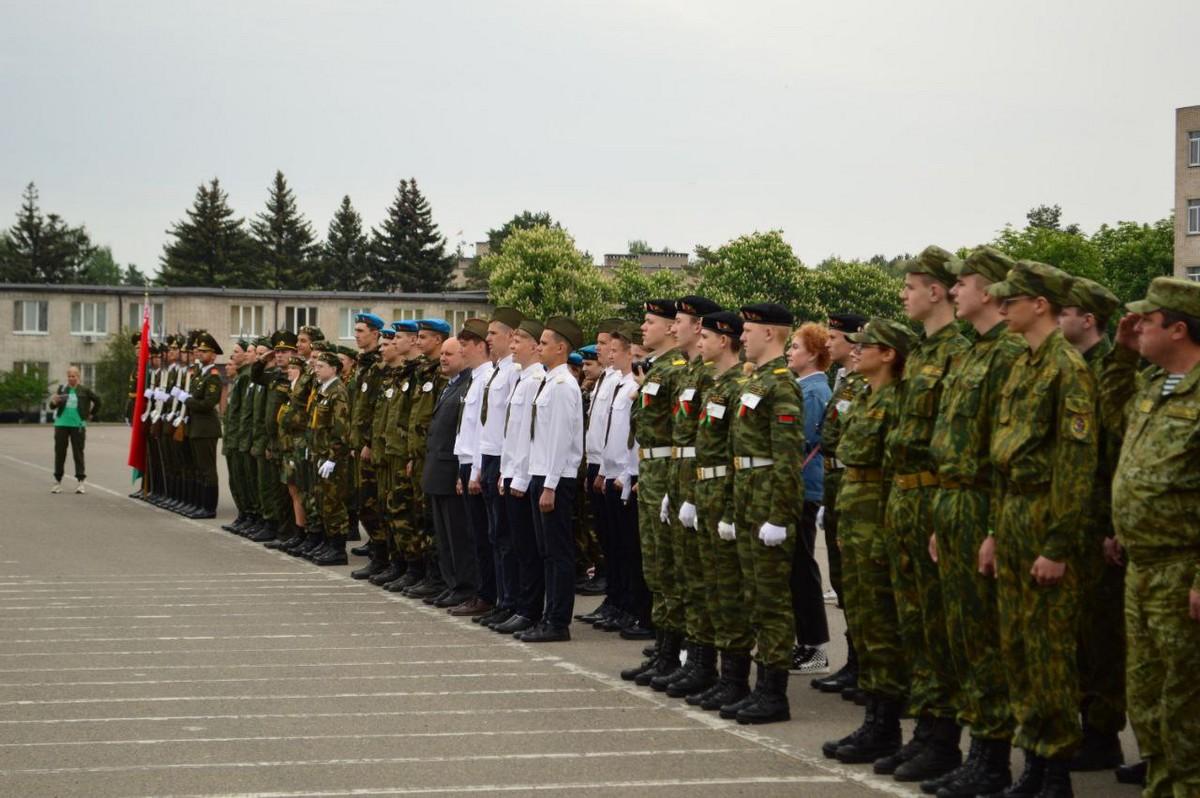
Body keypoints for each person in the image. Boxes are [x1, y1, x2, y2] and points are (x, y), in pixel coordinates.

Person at [987, 260, 1098, 797]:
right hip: (1012, 517)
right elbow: (1004, 458)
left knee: (1050, 653)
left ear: (1041, 305)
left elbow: (1077, 467)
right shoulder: (1025, 364)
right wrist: (992, 530)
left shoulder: (1066, 367)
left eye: (1013, 299)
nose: (1002, 306)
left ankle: (1054, 771)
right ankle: (1031, 760)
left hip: (1044, 520)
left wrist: (1058, 545)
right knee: (1019, 648)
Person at [925, 246, 1026, 797]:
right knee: (961, 634)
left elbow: (1002, 449)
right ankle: (971, 747)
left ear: (987, 292)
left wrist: (990, 525)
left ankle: (991, 757)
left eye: (963, 283)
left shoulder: (1009, 353)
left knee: (986, 639)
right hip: (954, 502)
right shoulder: (972, 353)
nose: (955, 290)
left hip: (986, 506)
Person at [876, 246, 972, 782]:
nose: (903, 295)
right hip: (905, 496)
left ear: (937, 291)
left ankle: (945, 739)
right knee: (914, 624)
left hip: (937, 497)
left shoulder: (960, 349)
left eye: (910, 287)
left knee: (941, 626)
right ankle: (928, 732)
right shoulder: (923, 351)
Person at [1102, 277, 1200, 798]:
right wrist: (1120, 354)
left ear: (1178, 329)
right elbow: (1108, 414)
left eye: (1147, 320)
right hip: (1141, 564)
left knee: (1185, 698)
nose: (1135, 326)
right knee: (1146, 694)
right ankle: (1162, 784)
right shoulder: (1149, 385)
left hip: (1183, 566)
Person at [718, 302, 806, 725]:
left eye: (749, 329)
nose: (743, 336)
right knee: (753, 596)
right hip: (747, 495)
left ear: (770, 333)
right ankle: (753, 686)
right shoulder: (755, 383)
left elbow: (787, 459)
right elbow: (740, 456)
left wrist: (780, 515)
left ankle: (774, 693)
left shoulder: (782, 386)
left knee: (771, 601)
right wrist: (735, 509)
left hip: (768, 500)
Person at [1060, 276, 1128, 773]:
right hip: (1070, 517)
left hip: (1099, 519)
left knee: (1101, 632)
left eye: (1068, 311)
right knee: (1075, 629)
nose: (1059, 317)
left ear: (1089, 320)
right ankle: (1085, 722)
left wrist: (1111, 525)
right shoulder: (1068, 367)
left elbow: (1115, 457)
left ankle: (1102, 731)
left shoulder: (1113, 371)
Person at [684, 310, 750, 710]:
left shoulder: (740, 384)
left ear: (724, 340)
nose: (699, 341)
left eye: (705, 335)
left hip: (726, 491)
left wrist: (728, 507)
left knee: (729, 592)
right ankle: (708, 668)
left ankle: (735, 678)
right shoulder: (714, 384)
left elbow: (735, 454)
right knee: (708, 586)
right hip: (704, 488)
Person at [622, 299, 689, 686]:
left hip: (668, 467)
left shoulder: (676, 370)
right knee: (656, 566)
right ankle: (664, 649)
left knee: (669, 564)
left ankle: (675, 651)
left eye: (651, 322)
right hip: (651, 465)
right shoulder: (656, 369)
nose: (643, 329)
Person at [811, 313, 868, 696]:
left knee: (859, 582)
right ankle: (855, 662)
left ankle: (867, 665)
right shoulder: (843, 381)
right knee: (842, 579)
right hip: (835, 481)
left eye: (835, 337)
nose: (828, 343)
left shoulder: (864, 383)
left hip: (853, 481)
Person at [520, 316, 585, 642]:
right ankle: (548, 616)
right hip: (541, 474)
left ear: (561, 348)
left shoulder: (562, 386)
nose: (539, 347)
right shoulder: (550, 382)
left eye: (544, 343)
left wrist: (549, 485)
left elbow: (560, 440)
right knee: (546, 551)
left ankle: (558, 621)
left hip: (554, 478)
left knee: (557, 553)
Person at [493, 318, 547, 636]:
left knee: (526, 549)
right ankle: (516, 605)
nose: (512, 346)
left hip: (524, 477)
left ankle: (528, 609)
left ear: (535, 346)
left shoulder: (536, 380)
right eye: (511, 341)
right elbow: (510, 434)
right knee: (515, 544)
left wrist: (520, 477)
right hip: (512, 473)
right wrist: (506, 472)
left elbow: (531, 436)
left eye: (519, 341)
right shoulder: (522, 379)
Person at [472, 307, 525, 629]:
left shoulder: (514, 372)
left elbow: (514, 427)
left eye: (493, 333)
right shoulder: (495, 371)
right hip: (490, 456)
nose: (488, 339)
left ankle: (512, 600)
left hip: (505, 458)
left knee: (507, 538)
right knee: (495, 536)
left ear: (510, 336)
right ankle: (502, 599)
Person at [786, 322, 834, 676]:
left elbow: (802, 440)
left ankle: (814, 646)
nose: (791, 352)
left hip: (804, 486)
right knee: (793, 567)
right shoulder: (802, 388)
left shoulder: (813, 392)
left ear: (814, 354)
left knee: (802, 567)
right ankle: (803, 643)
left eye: (797, 347)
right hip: (797, 485)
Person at [421, 336, 479, 608]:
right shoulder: (449, 386)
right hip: (437, 469)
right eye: (442, 354)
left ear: (464, 356)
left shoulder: (469, 384)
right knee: (444, 536)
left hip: (451, 469)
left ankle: (464, 586)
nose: (443, 358)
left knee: (458, 536)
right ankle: (451, 583)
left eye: (449, 354)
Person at [450, 318, 496, 616]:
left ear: (480, 346)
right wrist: (461, 466)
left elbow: (485, 430)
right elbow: (464, 429)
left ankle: (488, 594)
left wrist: (476, 469)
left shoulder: (488, 378)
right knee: (475, 534)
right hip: (468, 463)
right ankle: (483, 592)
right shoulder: (475, 378)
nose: (461, 349)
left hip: (478, 465)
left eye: (465, 345)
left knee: (484, 535)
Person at [310, 350, 352, 565]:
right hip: (321, 453)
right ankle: (328, 544)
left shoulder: (338, 392)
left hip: (333, 458)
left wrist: (333, 457)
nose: (316, 369)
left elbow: (341, 428)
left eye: (321, 366)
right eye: (316, 366)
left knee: (334, 503)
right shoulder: (323, 389)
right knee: (323, 501)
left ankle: (338, 549)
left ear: (334, 369)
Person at [179, 331, 224, 519]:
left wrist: (187, 400)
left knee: (207, 469)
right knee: (199, 468)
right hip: (196, 427)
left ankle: (209, 507)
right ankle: (200, 504)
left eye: (204, 352)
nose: (200, 354)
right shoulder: (200, 375)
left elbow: (207, 404)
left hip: (206, 428)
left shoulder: (213, 376)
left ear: (213, 355)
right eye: (199, 351)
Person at [50, 365, 100, 494]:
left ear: (78, 377)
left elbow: (98, 401)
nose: (71, 378)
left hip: (78, 425)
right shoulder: (62, 389)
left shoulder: (84, 390)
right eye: (69, 376)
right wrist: (54, 402)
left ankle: (80, 482)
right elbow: (52, 406)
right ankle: (57, 482)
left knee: (78, 453)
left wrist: (91, 414)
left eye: (74, 376)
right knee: (60, 453)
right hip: (61, 424)